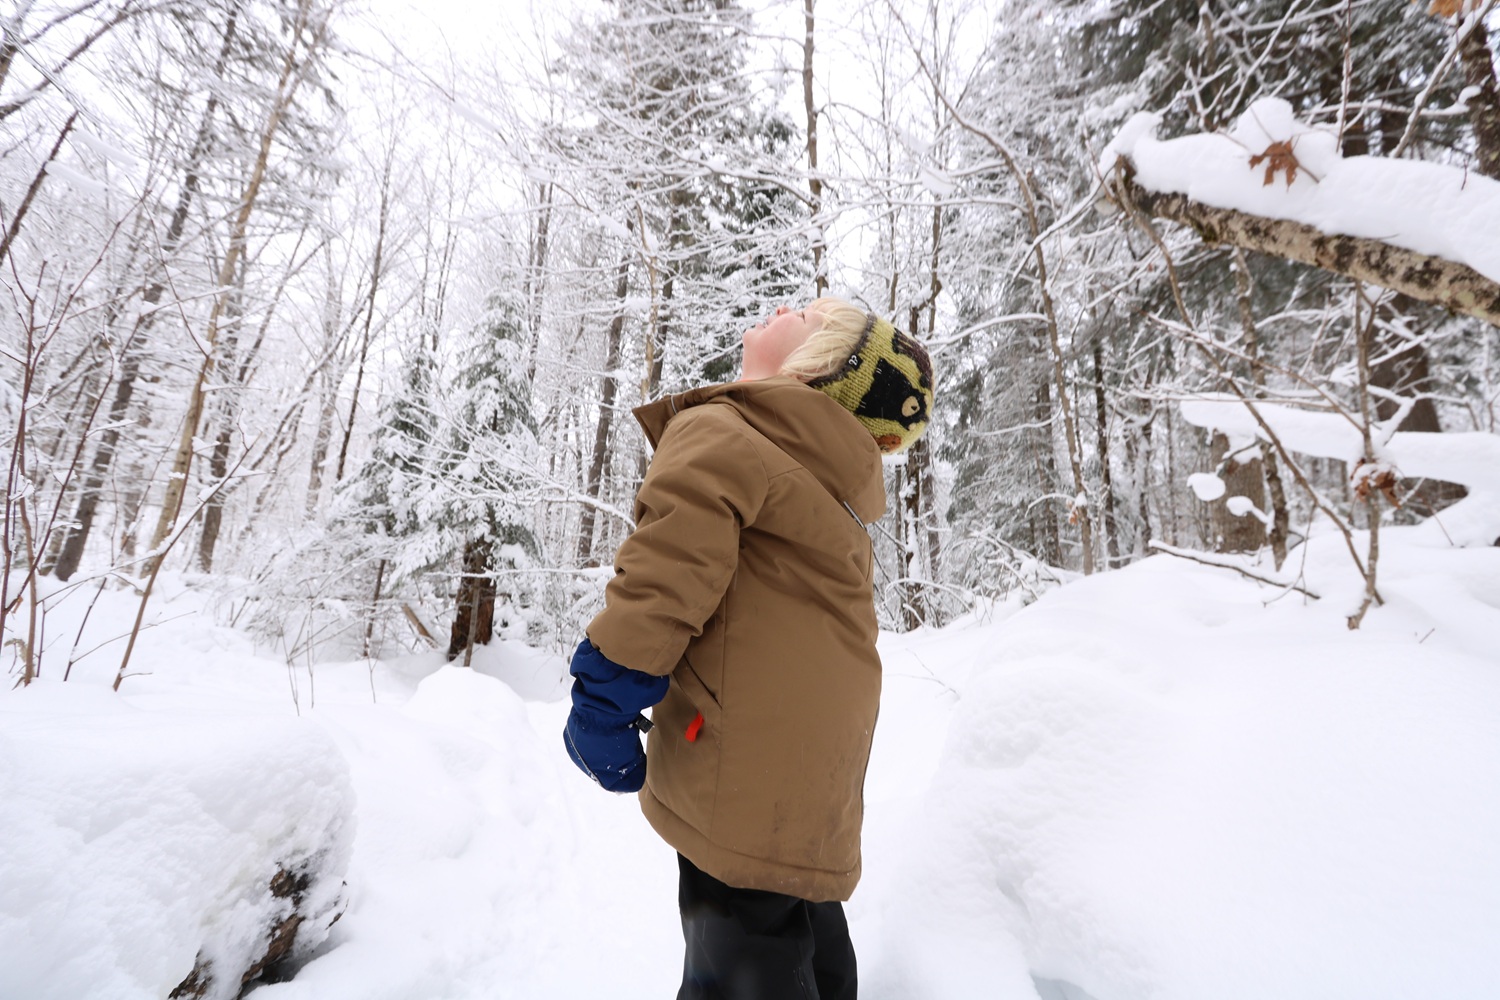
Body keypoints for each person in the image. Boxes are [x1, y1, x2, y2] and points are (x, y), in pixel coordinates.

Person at [563, 296, 934, 999]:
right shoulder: (828, 486)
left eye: (810, 316)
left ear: (820, 371)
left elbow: (664, 577)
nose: (785, 304)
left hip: (744, 768)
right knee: (803, 925)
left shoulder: (728, 433)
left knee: (739, 961)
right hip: (815, 770)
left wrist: (604, 694)